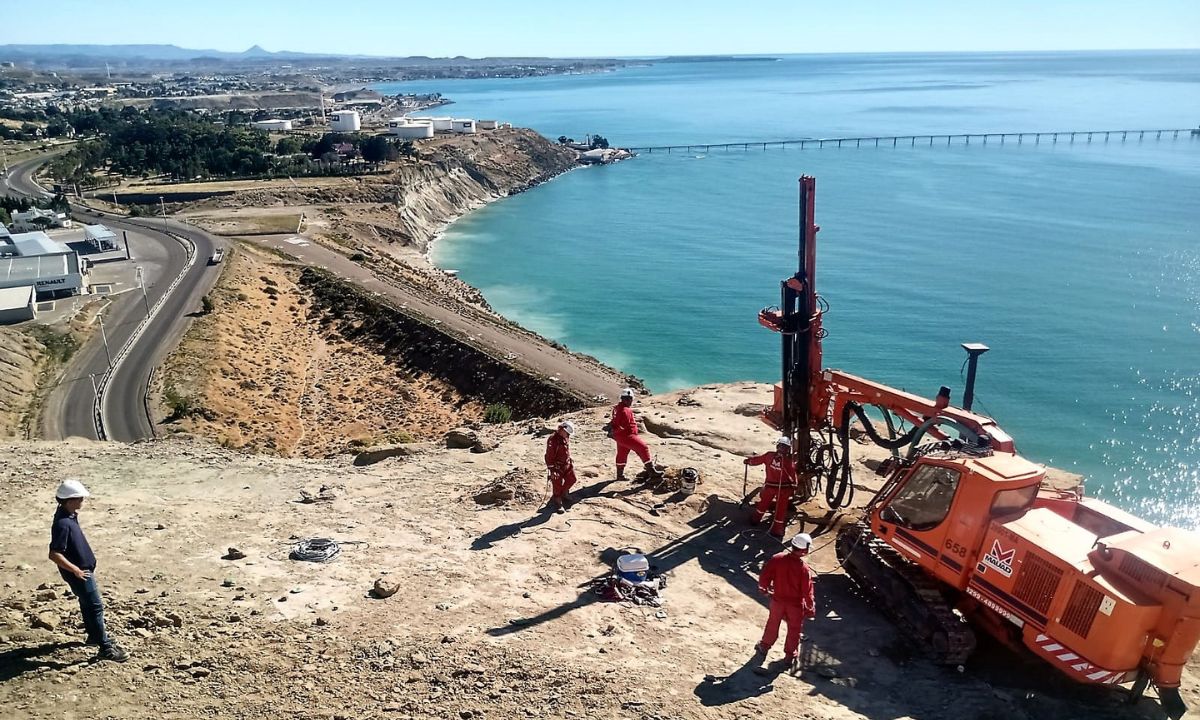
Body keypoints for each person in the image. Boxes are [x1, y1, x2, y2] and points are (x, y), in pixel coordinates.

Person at [48, 479, 129, 663]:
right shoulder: (62, 523)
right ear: (69, 500)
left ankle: (93, 636)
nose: (82, 502)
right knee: (95, 607)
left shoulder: (67, 515)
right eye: (79, 499)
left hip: (82, 572)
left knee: (87, 604)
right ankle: (105, 647)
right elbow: (54, 554)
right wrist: (76, 570)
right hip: (81, 574)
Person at [755, 532, 816, 669]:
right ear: (804, 551)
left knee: (772, 623)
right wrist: (810, 608)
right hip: (795, 606)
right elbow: (808, 592)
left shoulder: (777, 559)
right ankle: (789, 656)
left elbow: (765, 576)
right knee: (794, 630)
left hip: (777, 601)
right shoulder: (804, 570)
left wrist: (764, 589)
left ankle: (764, 646)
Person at [744, 436, 798, 538]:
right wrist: (794, 488)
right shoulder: (788, 462)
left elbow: (757, 460)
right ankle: (777, 529)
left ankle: (755, 520)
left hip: (770, 486)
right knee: (780, 509)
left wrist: (749, 461)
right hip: (783, 489)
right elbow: (793, 476)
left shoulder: (769, 456)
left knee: (763, 503)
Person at [610, 388, 659, 481]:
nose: (631, 402)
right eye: (630, 399)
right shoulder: (625, 411)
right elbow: (624, 424)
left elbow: (615, 422)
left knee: (622, 454)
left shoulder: (617, 408)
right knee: (643, 448)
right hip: (627, 435)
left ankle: (619, 475)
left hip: (619, 436)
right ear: (628, 399)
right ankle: (652, 472)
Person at [545, 420, 577, 513]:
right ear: (562, 430)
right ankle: (558, 502)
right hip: (557, 467)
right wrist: (552, 470)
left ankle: (564, 493)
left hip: (566, 464)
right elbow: (549, 456)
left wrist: (569, 458)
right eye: (567, 433)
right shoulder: (553, 440)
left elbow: (566, 449)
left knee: (572, 479)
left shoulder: (566, 437)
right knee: (557, 484)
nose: (568, 435)